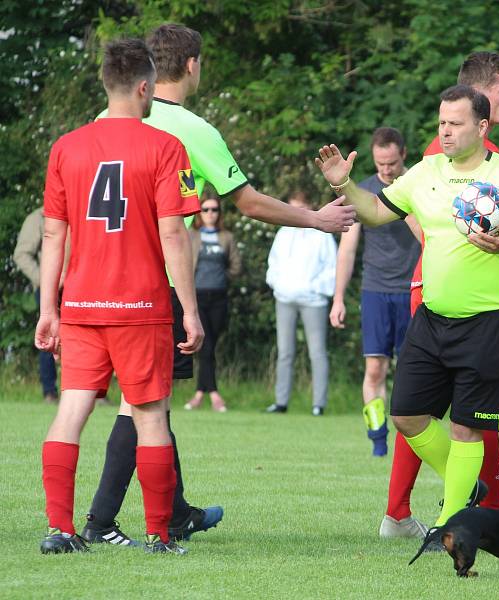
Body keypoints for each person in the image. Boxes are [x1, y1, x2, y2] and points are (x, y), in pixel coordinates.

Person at [81, 23, 355, 547]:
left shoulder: (107, 116)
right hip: (154, 280)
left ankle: (175, 511)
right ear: (192, 66)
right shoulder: (194, 130)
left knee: (143, 401)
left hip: (99, 274)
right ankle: (100, 521)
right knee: (143, 406)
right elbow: (246, 201)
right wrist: (316, 220)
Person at [315, 84, 499, 555]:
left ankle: (452, 525)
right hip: (432, 315)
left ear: (482, 127)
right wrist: (341, 183)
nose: (445, 131)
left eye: (456, 123)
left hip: (490, 319)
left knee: (468, 427)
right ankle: (468, 488)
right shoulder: (425, 172)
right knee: (405, 414)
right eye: (441, 123)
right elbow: (372, 212)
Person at [37, 38, 202, 554]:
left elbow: (52, 235)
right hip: (142, 306)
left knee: (71, 410)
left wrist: (48, 309)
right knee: (150, 415)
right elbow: (174, 234)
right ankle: (158, 535)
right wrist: (190, 311)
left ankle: (60, 530)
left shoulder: (66, 147)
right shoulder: (164, 147)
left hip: (81, 304)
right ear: (145, 86)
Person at [382, 53, 499, 541]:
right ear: (480, 94)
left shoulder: (493, 157)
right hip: (442, 294)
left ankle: (407, 511)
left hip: (454, 291)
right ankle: (467, 507)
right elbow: (416, 216)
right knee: (440, 413)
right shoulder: (448, 149)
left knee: (458, 415)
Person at [327, 127, 420, 458]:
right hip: (375, 291)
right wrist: (338, 298)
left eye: (392, 163)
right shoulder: (363, 190)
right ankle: (378, 440)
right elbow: (347, 250)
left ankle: (414, 439)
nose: (386, 170)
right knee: (375, 370)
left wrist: (402, 198)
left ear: (403, 156)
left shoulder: (419, 186)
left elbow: (429, 238)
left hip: (413, 290)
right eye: (381, 164)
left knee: (413, 371)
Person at [266, 190, 337, 415]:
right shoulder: (283, 232)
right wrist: (278, 285)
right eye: (293, 207)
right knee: (285, 351)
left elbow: (332, 267)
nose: (297, 212)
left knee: (317, 352)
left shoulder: (322, 234)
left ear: (310, 206)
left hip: (313, 300)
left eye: (301, 207)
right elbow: (273, 263)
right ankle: (281, 401)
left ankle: (318, 404)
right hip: (285, 298)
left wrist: (314, 288)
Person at [184, 189, 241, 413]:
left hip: (219, 297)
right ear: (199, 212)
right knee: (205, 346)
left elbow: (236, 266)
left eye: (214, 209)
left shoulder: (227, 237)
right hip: (197, 296)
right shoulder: (191, 235)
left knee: (211, 346)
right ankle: (213, 395)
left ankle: (199, 393)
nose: (210, 213)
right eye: (205, 209)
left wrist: (222, 277)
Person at [14, 206, 59, 403]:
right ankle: (49, 392)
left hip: (78, 285)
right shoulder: (37, 219)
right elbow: (22, 254)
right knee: (48, 338)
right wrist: (43, 279)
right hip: (50, 288)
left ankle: (94, 393)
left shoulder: (79, 212)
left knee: (89, 338)